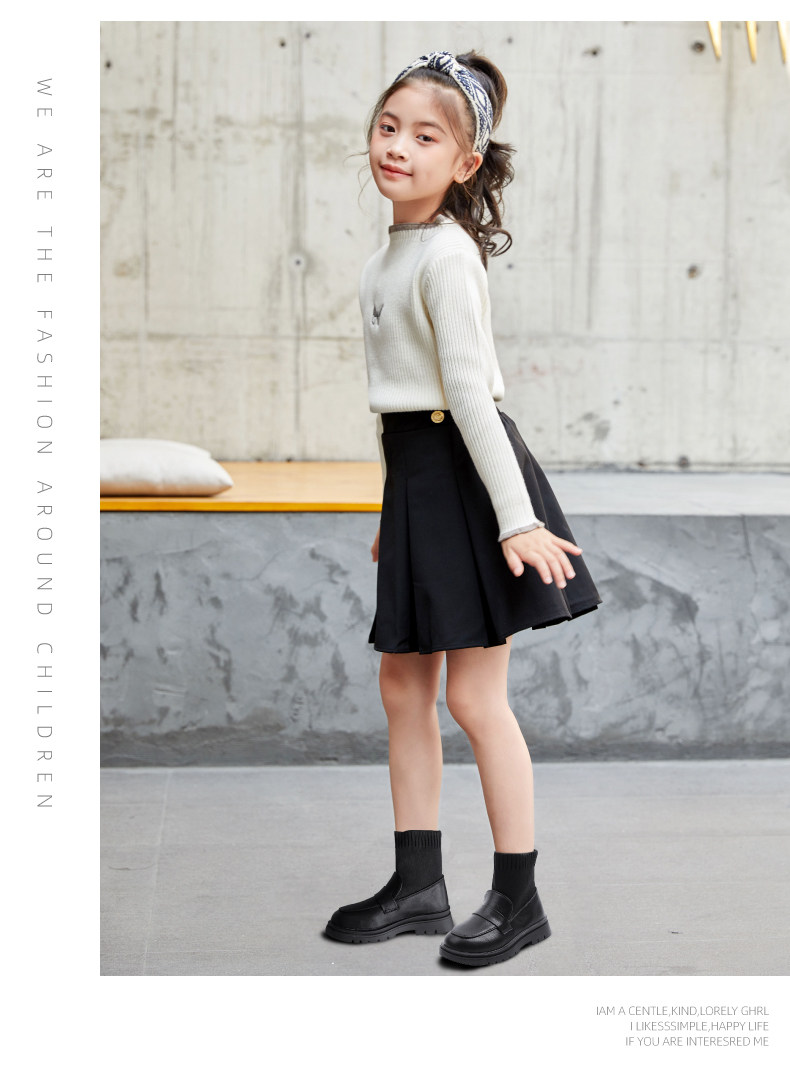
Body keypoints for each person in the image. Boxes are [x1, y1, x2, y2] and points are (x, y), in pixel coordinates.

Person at [324, 49, 602, 967]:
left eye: (425, 136)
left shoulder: (446, 254)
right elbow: (397, 405)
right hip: (419, 478)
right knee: (403, 688)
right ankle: (418, 885)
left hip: (470, 477)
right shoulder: (385, 259)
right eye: (388, 126)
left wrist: (515, 518)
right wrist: (393, 513)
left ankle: (519, 897)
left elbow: (471, 398)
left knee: (477, 697)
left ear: (465, 162)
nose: (397, 146)